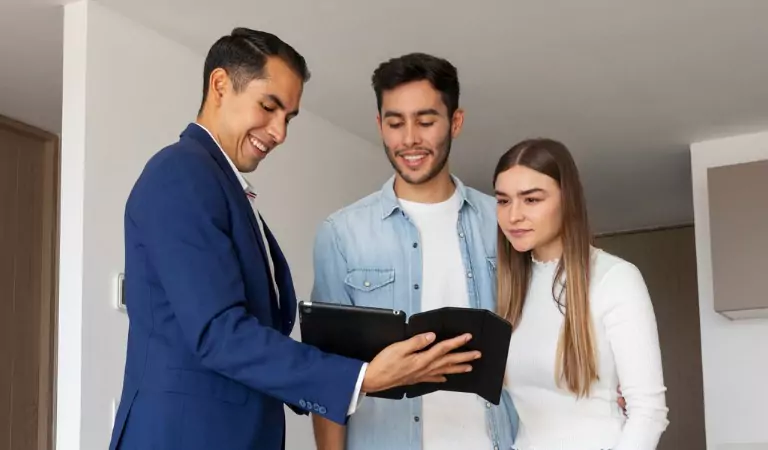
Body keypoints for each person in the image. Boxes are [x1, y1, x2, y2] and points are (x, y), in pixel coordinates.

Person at [109, 29, 482, 450]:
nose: (279, 132)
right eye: (269, 107)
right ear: (219, 85)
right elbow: (218, 332)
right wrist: (364, 377)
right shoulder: (180, 174)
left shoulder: (222, 186)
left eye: (288, 117)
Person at [309, 52, 519, 450]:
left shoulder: (503, 222)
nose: (409, 139)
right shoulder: (341, 233)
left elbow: (547, 332)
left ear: (455, 122)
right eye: (395, 123)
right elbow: (329, 373)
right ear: (379, 126)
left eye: (425, 122)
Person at [494, 138, 669, 450]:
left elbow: (649, 412)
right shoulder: (506, 290)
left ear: (567, 200)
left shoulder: (614, 279)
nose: (513, 216)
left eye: (531, 200)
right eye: (504, 201)